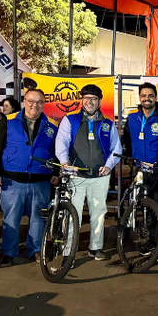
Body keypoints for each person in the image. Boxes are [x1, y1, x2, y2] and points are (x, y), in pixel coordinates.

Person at [0, 89, 59, 267]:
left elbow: (59, 150)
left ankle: (35, 250)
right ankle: (8, 252)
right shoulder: (8, 121)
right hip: (12, 181)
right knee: (11, 219)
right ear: (24, 101)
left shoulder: (52, 125)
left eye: (40, 101)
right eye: (31, 101)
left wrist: (56, 172)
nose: (35, 105)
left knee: (38, 218)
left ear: (44, 103)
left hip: (41, 181)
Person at [55, 84, 122, 261]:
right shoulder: (70, 120)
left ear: (99, 101)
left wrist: (109, 165)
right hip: (76, 176)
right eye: (86, 98)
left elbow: (116, 148)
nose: (89, 101)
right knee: (72, 214)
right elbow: (61, 143)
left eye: (93, 98)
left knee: (98, 213)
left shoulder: (108, 124)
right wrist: (65, 163)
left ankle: (95, 248)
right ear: (81, 101)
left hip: (99, 177)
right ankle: (68, 250)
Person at [121, 82, 158, 261]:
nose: (147, 99)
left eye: (150, 95)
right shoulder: (131, 117)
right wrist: (128, 157)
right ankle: (148, 242)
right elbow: (128, 139)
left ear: (156, 97)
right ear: (140, 97)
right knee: (140, 207)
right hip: (139, 169)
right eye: (144, 95)